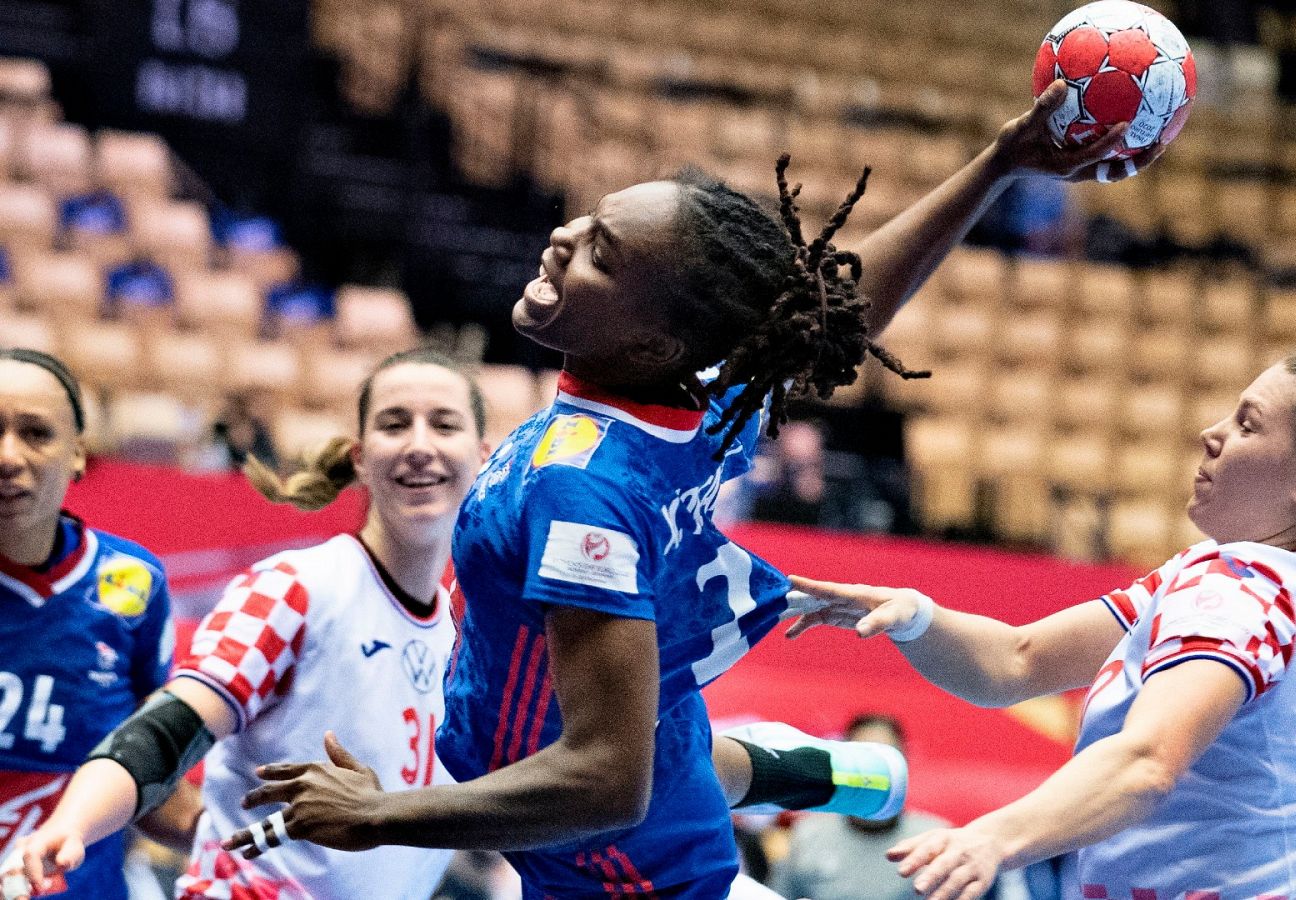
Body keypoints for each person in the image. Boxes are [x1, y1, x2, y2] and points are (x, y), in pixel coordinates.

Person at [207, 81, 1156, 899]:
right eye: (590, 219)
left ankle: (811, 770)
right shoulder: (691, 403)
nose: (562, 239)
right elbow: (834, 316)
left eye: (602, 254)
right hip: (657, 741)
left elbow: (608, 780)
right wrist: (996, 161)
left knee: (675, 782)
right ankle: (819, 767)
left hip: (626, 862)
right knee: (687, 761)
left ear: (655, 341)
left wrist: (381, 815)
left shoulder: (583, 493)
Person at [7, 350, 911, 900]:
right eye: (393, 424)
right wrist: (70, 826)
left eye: (444, 423)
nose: (419, 443)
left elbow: (605, 771)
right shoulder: (296, 586)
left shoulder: (487, 639)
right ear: (360, 456)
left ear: (486, 461)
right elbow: (163, 730)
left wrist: (825, 775)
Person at [785, 350, 1296, 899]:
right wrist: (915, 617)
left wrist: (993, 836)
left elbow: (1149, 762)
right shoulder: (1291, 586)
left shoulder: (1242, 591)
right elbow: (1018, 662)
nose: (1211, 433)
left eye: (1249, 425)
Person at [0, 348, 189, 900]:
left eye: (35, 433)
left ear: (78, 455)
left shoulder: (132, 582)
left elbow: (155, 774)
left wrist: (248, 840)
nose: (8, 457)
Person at [768, 714, 949, 900]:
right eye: (864, 759)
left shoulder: (937, 839)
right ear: (842, 763)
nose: (873, 773)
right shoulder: (807, 835)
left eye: (886, 759)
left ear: (905, 763)